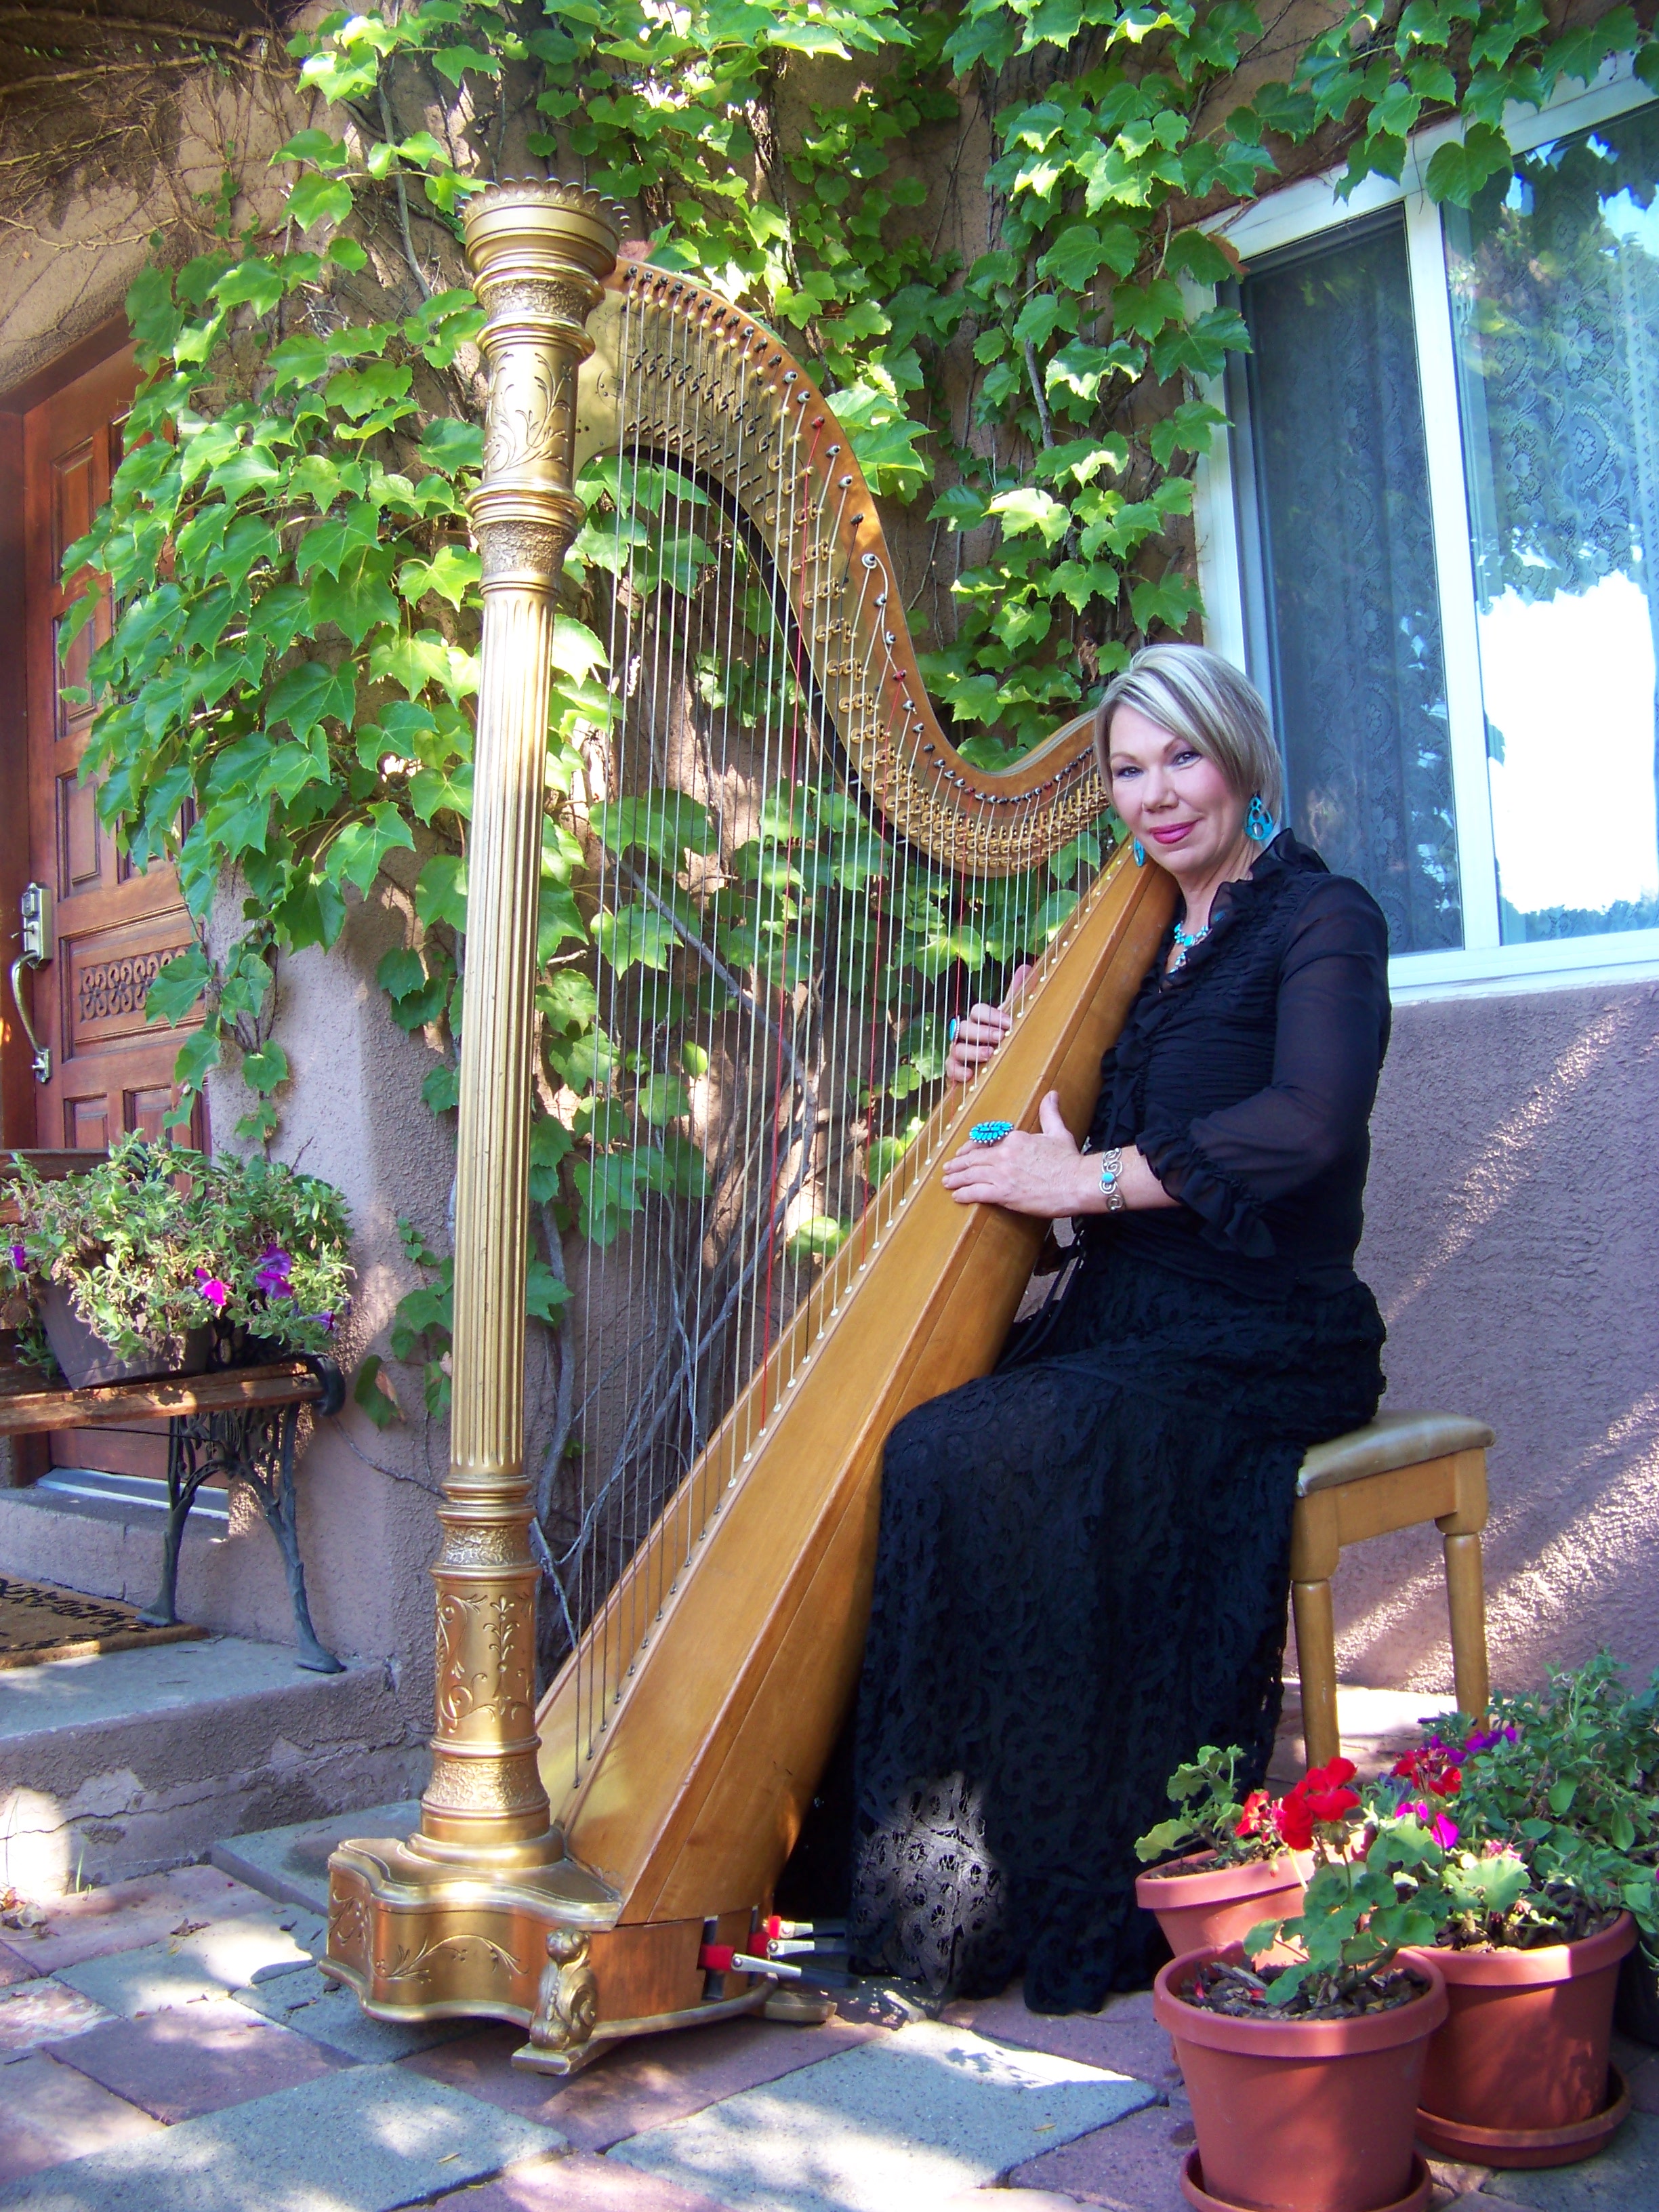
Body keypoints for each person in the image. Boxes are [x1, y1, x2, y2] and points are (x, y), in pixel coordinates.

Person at [845, 641, 1391, 2013]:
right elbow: (1091, 1171)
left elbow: (1304, 1129)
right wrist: (1013, 1080)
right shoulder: (1139, 945)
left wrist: (1076, 1176)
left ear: (1240, 755)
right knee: (930, 1447)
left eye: (1182, 758)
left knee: (998, 1457)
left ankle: (1082, 1882)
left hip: (1267, 1331)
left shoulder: (1324, 922)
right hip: (1132, 1313)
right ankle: (959, 1902)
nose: (1156, 795)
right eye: (1128, 768)